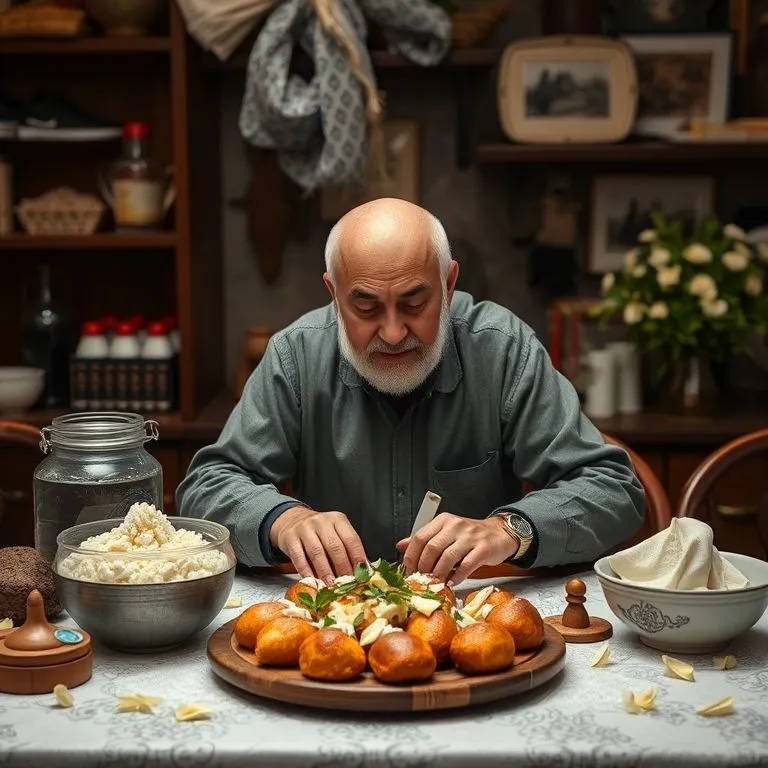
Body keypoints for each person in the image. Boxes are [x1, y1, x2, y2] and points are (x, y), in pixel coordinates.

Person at [176, 198, 644, 585]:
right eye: (365, 306)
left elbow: (613, 489)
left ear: (449, 282)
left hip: (469, 619)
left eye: (415, 302)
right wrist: (284, 520)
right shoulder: (295, 355)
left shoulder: (502, 348)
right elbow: (205, 487)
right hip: (331, 625)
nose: (395, 332)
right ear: (333, 294)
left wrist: (510, 529)